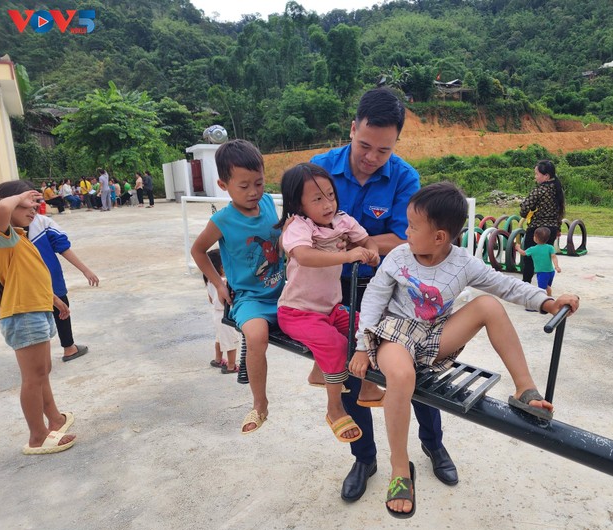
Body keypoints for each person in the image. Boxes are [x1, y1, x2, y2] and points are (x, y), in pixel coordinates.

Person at [348, 182, 580, 518]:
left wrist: (547, 301)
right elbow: (373, 300)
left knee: (488, 304)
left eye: (413, 226)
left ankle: (525, 388)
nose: (406, 232)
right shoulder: (398, 257)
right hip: (394, 333)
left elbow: (505, 285)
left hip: (435, 334)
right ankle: (400, 468)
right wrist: (360, 345)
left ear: (440, 237)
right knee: (401, 375)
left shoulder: (462, 263)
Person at [311, 87, 454, 503]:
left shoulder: (405, 177)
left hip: (391, 290)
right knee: (352, 368)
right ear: (352, 128)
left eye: (383, 150)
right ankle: (364, 457)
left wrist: (354, 245)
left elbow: (408, 238)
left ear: (396, 144)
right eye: (364, 145)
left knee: (413, 368)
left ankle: (432, 443)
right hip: (335, 290)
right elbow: (299, 229)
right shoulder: (318, 169)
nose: (372, 157)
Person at [275, 163, 384, 443]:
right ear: (298, 204)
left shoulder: (343, 221)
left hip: (331, 309)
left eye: (330, 195)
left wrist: (371, 253)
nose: (327, 204)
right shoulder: (298, 227)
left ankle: (368, 388)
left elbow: (367, 241)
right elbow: (305, 256)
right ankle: (334, 408)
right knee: (335, 345)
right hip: (298, 312)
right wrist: (348, 256)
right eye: (317, 199)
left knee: (369, 329)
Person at [191, 139, 284, 435]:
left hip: (284, 292)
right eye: (244, 186)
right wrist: (218, 284)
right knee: (256, 336)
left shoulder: (269, 202)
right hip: (250, 297)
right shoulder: (222, 220)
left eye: (259, 182)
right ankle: (260, 404)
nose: (254, 192)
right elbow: (198, 251)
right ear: (223, 185)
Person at [0, 180, 77, 455]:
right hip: (22, 314)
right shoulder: (3, 235)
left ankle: (53, 419)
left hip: (36, 310)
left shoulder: (18, 236)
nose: (34, 208)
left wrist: (54, 300)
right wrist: (15, 197)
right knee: (33, 377)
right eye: (26, 203)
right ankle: (37, 436)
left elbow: (30, 277)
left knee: (43, 372)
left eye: (35, 202)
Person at [28, 212, 99, 362]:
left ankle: (38, 356)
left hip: (39, 281)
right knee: (58, 312)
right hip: (47, 279)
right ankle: (68, 348)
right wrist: (85, 270)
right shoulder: (41, 222)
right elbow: (61, 246)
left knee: (56, 311)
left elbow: (62, 246)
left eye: (36, 201)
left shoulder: (4, 228)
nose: (32, 207)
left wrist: (85, 270)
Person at [519, 159, 565, 285]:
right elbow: (560, 212)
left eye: (537, 174)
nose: (535, 177)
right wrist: (558, 228)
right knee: (545, 257)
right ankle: (545, 285)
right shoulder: (558, 190)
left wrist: (528, 208)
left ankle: (526, 284)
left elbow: (523, 211)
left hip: (537, 229)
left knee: (529, 258)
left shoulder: (538, 191)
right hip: (552, 229)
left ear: (546, 176)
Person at [203, 248, 240, 374]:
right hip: (225, 316)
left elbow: (210, 299)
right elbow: (227, 300)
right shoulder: (224, 282)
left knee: (219, 338)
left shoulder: (209, 281)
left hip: (216, 314)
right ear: (222, 267)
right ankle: (231, 366)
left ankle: (218, 360)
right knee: (231, 342)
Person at [515, 226, 561, 296]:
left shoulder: (532, 249)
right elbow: (554, 257)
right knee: (547, 286)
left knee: (543, 289)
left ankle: (547, 299)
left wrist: (518, 248)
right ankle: (548, 298)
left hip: (542, 272)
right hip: (551, 272)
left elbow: (523, 253)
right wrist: (557, 266)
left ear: (535, 238)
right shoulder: (550, 247)